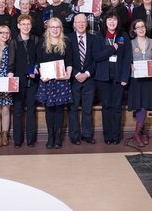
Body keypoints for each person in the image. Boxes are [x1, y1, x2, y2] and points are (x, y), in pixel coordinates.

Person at [95, 9, 131, 145]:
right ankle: (107, 136)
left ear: (118, 22)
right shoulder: (99, 36)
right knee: (106, 106)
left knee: (116, 106)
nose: (112, 22)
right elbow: (97, 56)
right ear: (105, 22)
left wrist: (125, 77)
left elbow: (127, 57)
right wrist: (112, 49)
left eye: (114, 19)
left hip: (119, 77)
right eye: (109, 19)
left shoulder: (123, 36)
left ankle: (116, 136)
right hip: (103, 77)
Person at [36, 17, 73, 149]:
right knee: (49, 110)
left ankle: (58, 138)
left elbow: (69, 62)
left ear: (61, 29)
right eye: (53, 27)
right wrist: (41, 74)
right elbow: (39, 62)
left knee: (59, 110)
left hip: (61, 82)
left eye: (58, 27)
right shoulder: (42, 42)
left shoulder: (66, 42)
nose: (55, 30)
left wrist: (68, 74)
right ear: (48, 28)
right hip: (47, 82)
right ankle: (50, 137)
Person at [68, 13, 101, 144]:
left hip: (89, 79)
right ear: (74, 24)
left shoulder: (94, 39)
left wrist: (87, 73)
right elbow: (67, 59)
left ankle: (87, 134)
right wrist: (76, 74)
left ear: (87, 24)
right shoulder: (68, 38)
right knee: (73, 108)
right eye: (78, 22)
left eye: (83, 22)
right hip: (73, 78)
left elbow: (96, 59)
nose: (81, 24)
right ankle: (74, 136)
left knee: (88, 109)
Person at [128, 19, 152, 147]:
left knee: (146, 105)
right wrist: (130, 65)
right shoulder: (131, 43)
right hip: (136, 78)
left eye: (142, 26)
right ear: (134, 30)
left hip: (148, 79)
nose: (141, 29)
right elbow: (127, 60)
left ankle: (140, 133)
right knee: (139, 106)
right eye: (138, 27)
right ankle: (138, 134)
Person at [12, 14, 39, 147]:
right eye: (23, 24)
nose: (26, 26)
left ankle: (31, 139)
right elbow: (11, 62)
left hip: (33, 81)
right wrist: (10, 75)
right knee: (17, 110)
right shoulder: (14, 42)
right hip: (18, 81)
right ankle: (17, 140)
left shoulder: (35, 40)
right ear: (18, 26)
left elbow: (37, 59)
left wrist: (35, 69)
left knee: (31, 110)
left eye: (28, 24)